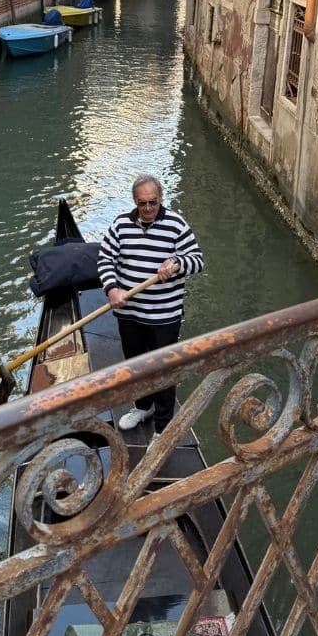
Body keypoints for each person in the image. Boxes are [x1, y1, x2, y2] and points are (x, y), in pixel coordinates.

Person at [98, 174, 203, 442]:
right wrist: (112, 289)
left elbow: (197, 260)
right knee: (136, 366)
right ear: (135, 201)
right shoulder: (121, 225)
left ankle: (162, 426)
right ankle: (142, 407)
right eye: (142, 203)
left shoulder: (176, 225)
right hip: (129, 313)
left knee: (164, 371)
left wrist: (177, 263)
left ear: (161, 199)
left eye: (152, 202)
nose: (147, 208)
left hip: (164, 316)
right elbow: (105, 257)